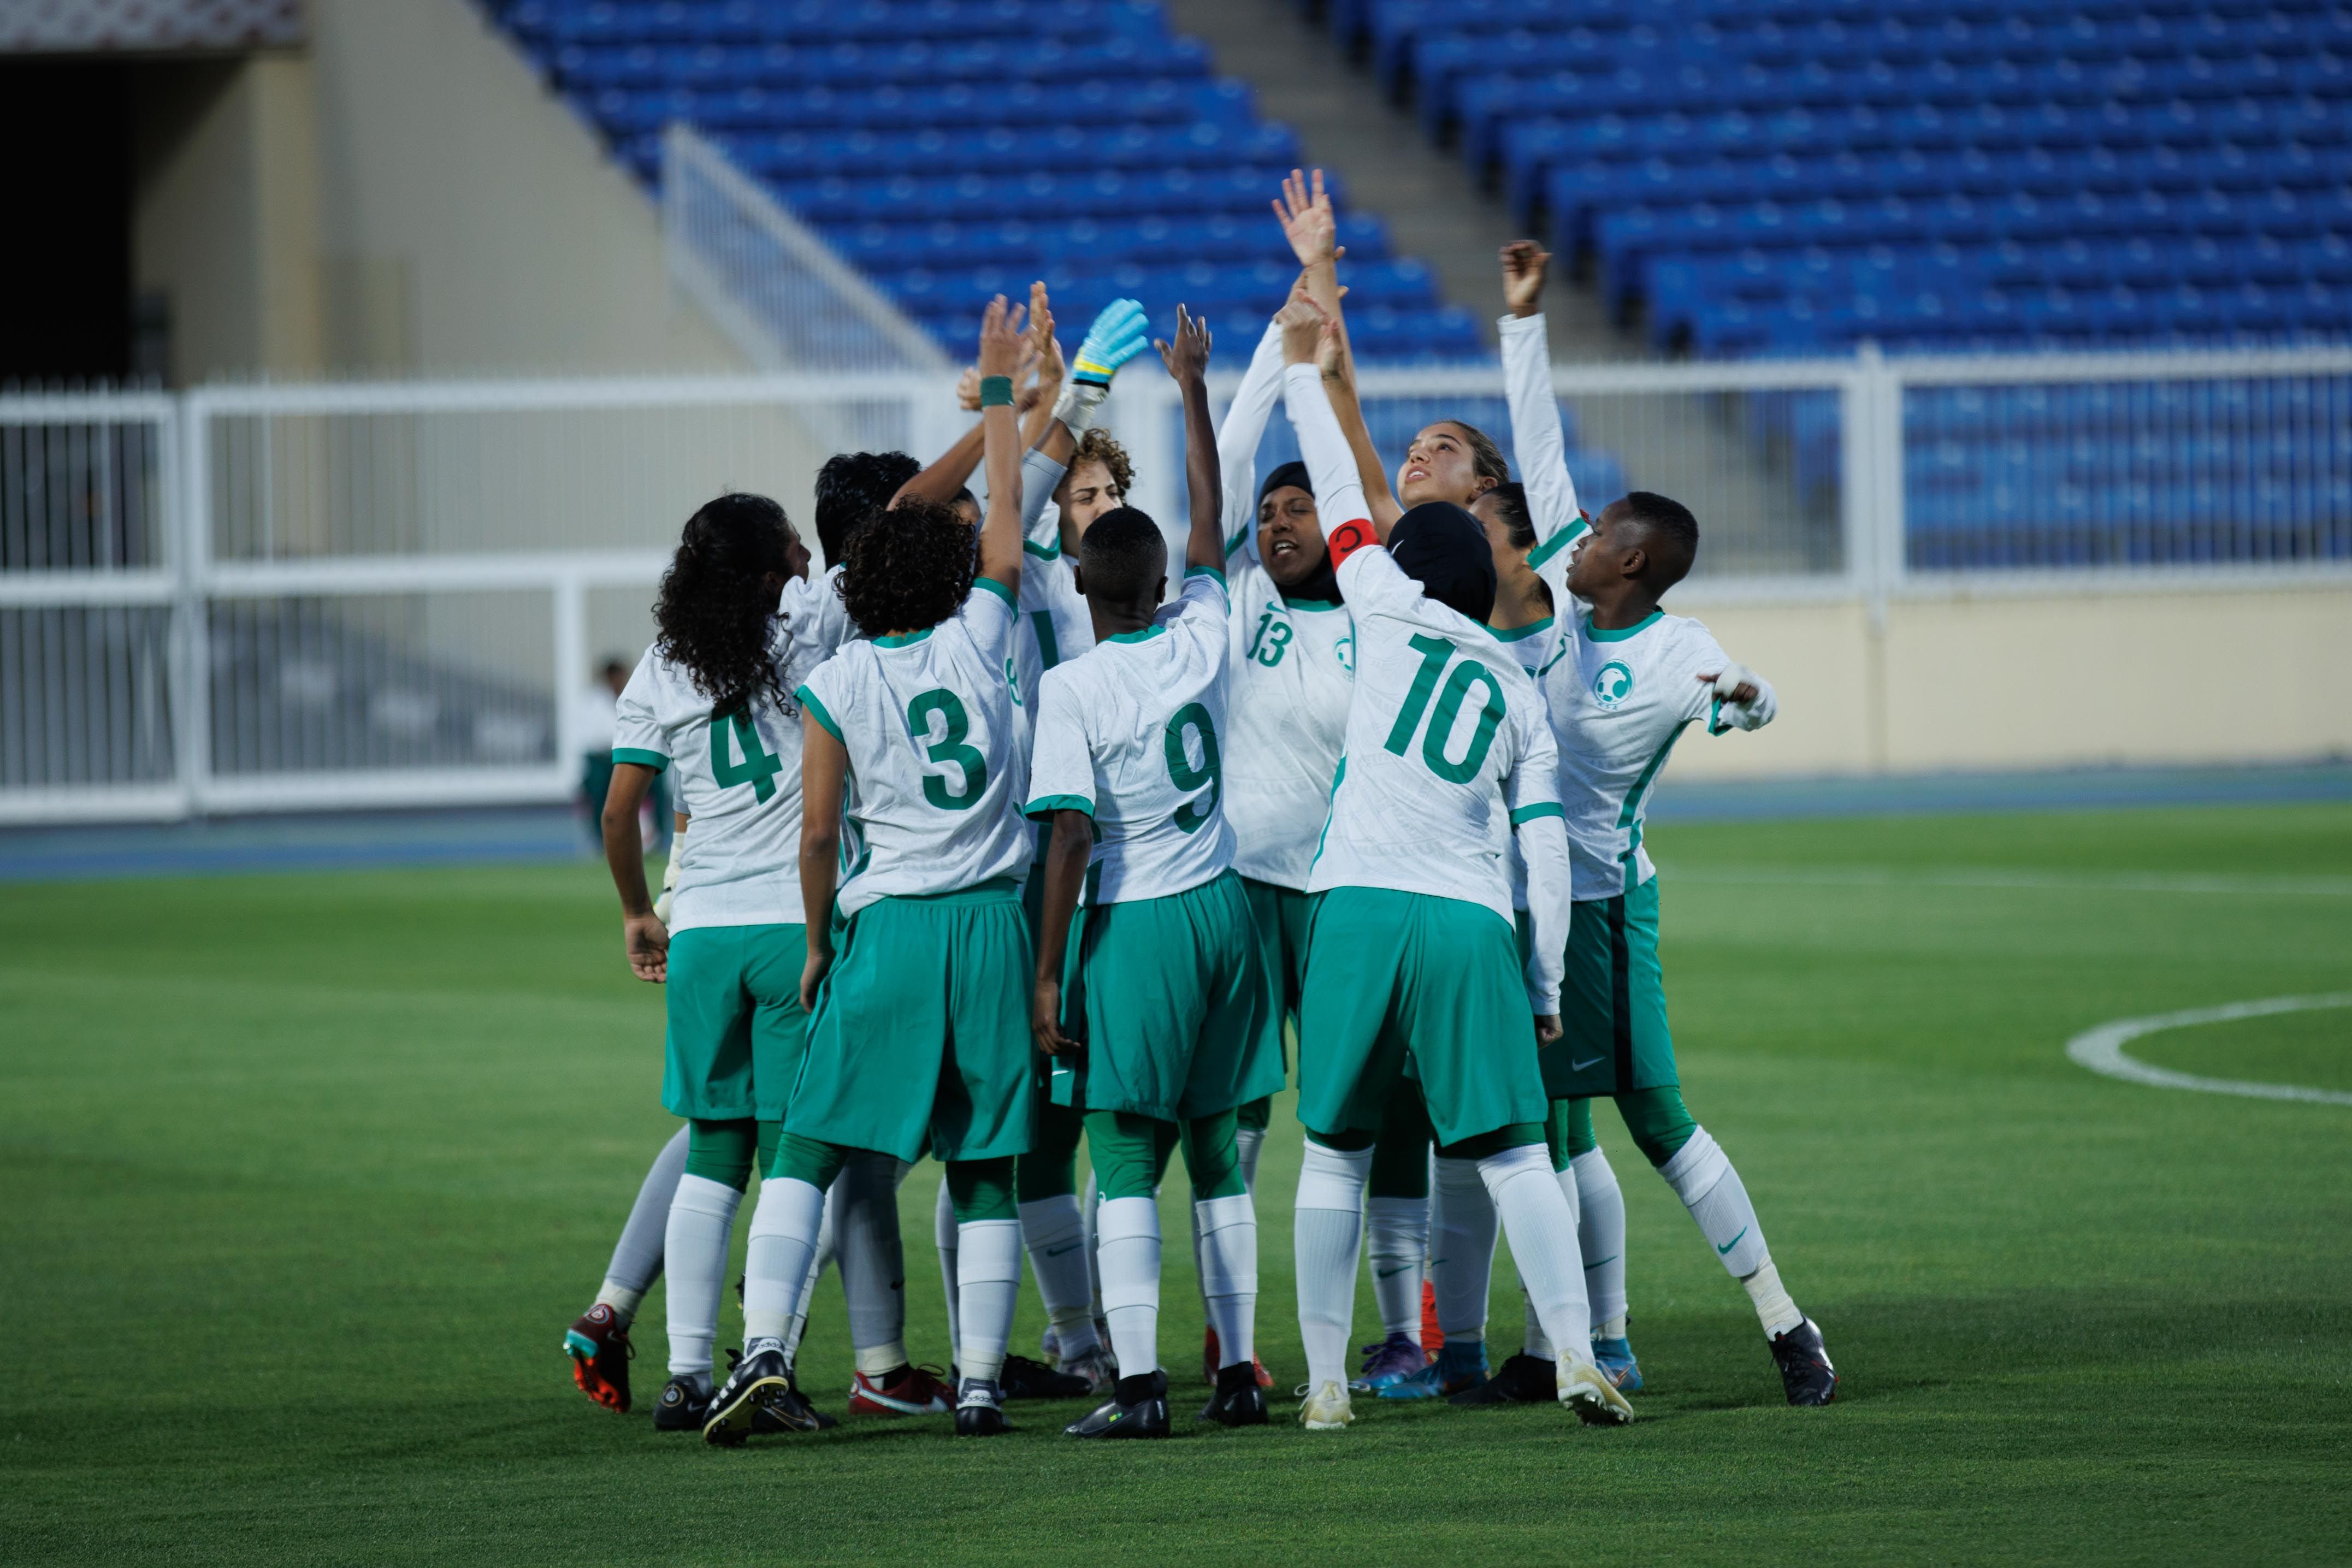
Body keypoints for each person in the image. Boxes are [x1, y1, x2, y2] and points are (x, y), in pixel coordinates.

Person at [1456, 240, 1835, 1411]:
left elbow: (1757, 702)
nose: (1571, 540)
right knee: (1546, 1128)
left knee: (1655, 1122)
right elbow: (1539, 446)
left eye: (1595, 534)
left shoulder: (1678, 651)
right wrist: (1521, 320)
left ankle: (1783, 1319)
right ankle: (1578, 1345)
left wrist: (1746, 695)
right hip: (1525, 894)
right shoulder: (1575, 599)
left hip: (1603, 908)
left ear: (1630, 560)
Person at [1273, 296, 1634, 1431]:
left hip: (1357, 903)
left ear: (1406, 564)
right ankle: (1575, 1354)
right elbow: (1543, 852)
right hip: (1470, 919)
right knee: (1516, 1153)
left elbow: (1341, 496)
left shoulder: (1379, 603)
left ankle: (1327, 1384)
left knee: (1334, 1155)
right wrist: (1542, 981)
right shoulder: (1519, 692)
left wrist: (1301, 372)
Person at [713, 296, 1039, 1443]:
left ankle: (763, 1348)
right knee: (985, 1164)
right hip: (990, 927)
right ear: (952, 576)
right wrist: (1003, 399)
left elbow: (816, 836)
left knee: (807, 1144)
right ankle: (982, 1382)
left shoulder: (839, 679)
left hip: (888, 924)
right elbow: (1006, 523)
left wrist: (815, 942)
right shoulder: (981, 635)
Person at [1025, 307, 1283, 1439]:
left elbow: (1070, 839)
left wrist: (1047, 974)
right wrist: (1191, 390)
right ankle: (1239, 1373)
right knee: (1219, 1153)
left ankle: (1136, 1388)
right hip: (1225, 907)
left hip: (1136, 921)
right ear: (1162, 576)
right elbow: (1211, 515)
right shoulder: (1203, 632)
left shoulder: (1074, 688)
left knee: (1125, 1157)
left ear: (1082, 582)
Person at [589, 491, 832, 1437]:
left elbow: (621, 811)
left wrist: (636, 911)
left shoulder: (663, 664)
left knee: (712, 1156)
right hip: (789, 928)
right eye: (793, 546)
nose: (806, 556)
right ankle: (766, 1360)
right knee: (792, 1159)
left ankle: (686, 1374)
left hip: (701, 933)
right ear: (769, 572)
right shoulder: (806, 638)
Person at [577, 656, 671, 853]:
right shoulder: (594, 702)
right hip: (603, 759)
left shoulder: (636, 694)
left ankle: (657, 838)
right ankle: (602, 841)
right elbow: (592, 738)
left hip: (634, 755)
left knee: (659, 784)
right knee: (597, 787)